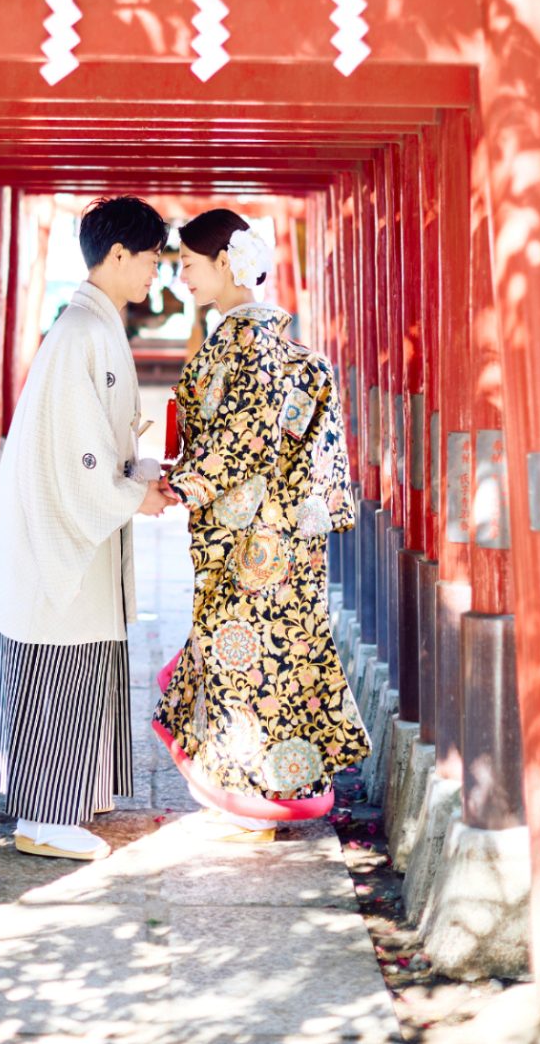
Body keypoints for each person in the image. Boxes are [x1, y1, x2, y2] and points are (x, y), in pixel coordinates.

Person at [0, 196, 173, 863]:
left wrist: (136, 480)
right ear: (119, 254)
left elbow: (93, 444)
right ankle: (44, 816)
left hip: (67, 526)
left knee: (72, 667)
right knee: (57, 670)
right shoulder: (83, 333)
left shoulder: (89, 327)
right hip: (59, 535)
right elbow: (82, 456)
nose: (155, 272)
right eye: (152, 258)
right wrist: (132, 494)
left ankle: (67, 801)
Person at [152, 209, 371, 842]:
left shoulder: (245, 343)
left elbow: (246, 440)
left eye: (189, 264)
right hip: (284, 537)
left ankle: (257, 802)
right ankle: (273, 793)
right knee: (276, 662)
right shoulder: (279, 344)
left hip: (255, 542)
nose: (183, 277)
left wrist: (180, 486)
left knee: (247, 665)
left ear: (225, 261)